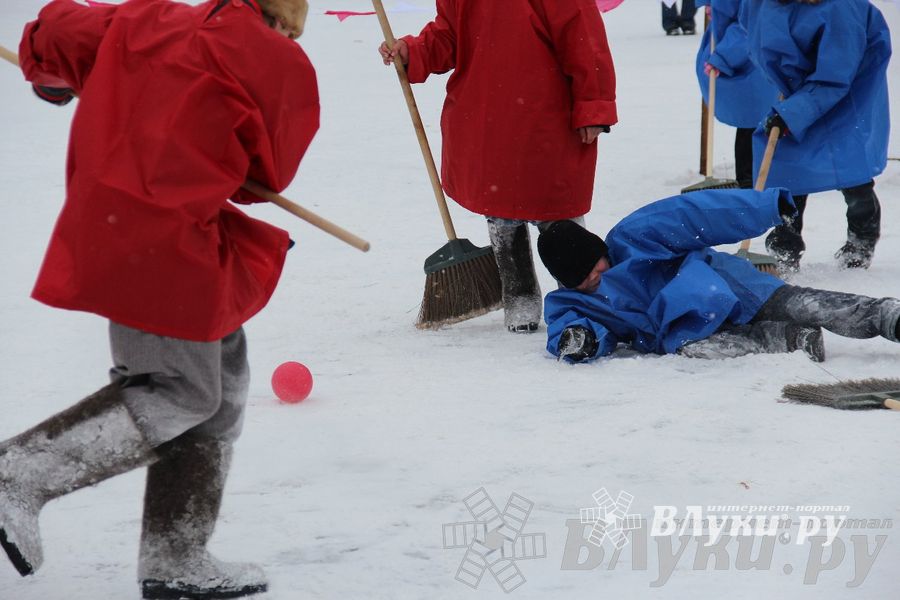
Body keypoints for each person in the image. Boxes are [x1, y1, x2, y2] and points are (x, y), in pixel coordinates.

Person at [1, 0, 317, 598]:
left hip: (123, 222)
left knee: (219, 380)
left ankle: (178, 556)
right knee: (178, 388)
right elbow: (268, 174)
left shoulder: (149, 18)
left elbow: (54, 30)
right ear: (285, 19)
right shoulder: (279, 61)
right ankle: (16, 476)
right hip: (165, 237)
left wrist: (56, 81)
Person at [379, 0, 617, 333]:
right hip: (486, 113)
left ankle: (579, 291)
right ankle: (519, 296)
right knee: (502, 212)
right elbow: (449, 34)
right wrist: (413, 51)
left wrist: (593, 105)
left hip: (546, 113)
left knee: (556, 211)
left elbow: (584, 41)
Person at [535, 189, 900, 363]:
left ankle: (885, 315)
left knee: (809, 305)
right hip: (689, 333)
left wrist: (767, 207)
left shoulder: (635, 237)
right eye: (580, 279)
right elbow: (564, 325)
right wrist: (578, 338)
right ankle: (789, 339)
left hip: (735, 289)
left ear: (599, 249)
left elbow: (697, 214)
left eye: (593, 267)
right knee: (702, 350)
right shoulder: (573, 300)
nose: (592, 279)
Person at [741, 0, 891, 271]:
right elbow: (754, 36)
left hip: (848, 92)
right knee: (786, 167)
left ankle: (861, 241)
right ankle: (784, 245)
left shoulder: (840, 10)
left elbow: (835, 75)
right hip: (795, 91)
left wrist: (793, 111)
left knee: (848, 167)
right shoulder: (762, 4)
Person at [694, 0, 777, 189]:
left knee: (758, 122)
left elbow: (750, 24)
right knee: (755, 123)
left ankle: (752, 181)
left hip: (755, 60)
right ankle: (751, 179)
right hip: (750, 58)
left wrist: (724, 57)